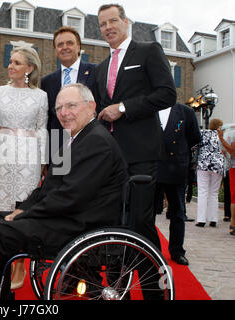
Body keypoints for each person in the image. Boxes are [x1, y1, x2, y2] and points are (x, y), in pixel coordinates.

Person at [0, 83, 128, 300]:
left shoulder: (97, 142)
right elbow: (49, 187)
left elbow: (71, 196)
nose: (64, 113)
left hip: (82, 225)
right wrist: (23, 208)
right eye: (59, 108)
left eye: (71, 106)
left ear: (91, 107)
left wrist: (26, 214)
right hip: (67, 215)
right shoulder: (73, 139)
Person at [93, 4, 177, 249]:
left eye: (112, 21)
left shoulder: (148, 51)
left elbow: (167, 94)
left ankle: (155, 283)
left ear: (125, 22)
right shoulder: (100, 69)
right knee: (115, 220)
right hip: (110, 158)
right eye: (103, 24)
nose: (108, 27)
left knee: (140, 220)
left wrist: (123, 108)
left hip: (141, 155)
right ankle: (123, 283)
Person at [0, 46, 48, 290]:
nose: (10, 66)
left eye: (17, 63)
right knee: (0, 209)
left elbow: (42, 127)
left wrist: (43, 161)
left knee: (23, 208)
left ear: (29, 69)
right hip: (2, 155)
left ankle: (20, 263)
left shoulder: (40, 96)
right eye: (10, 61)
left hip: (29, 157)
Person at [154, 103, 201, 265]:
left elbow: (195, 137)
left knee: (178, 212)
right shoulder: (149, 109)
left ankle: (177, 250)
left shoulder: (185, 111)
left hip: (176, 167)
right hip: (154, 167)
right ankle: (153, 249)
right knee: (149, 212)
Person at [41, 26, 95, 156]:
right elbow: (47, 120)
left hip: (89, 144)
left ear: (79, 47)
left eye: (70, 43)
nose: (65, 47)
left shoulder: (96, 72)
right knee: (59, 177)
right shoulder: (47, 81)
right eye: (60, 44)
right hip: (58, 148)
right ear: (55, 50)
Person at [195, 118, 225, 228]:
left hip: (204, 164)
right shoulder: (222, 135)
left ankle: (201, 219)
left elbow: (194, 146)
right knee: (214, 193)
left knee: (202, 191)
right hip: (218, 165)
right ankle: (213, 219)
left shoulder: (203, 133)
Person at [217, 124, 235, 235]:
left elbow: (231, 152)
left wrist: (222, 139)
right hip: (233, 167)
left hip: (233, 167)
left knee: (234, 197)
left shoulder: (231, 132)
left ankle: (233, 223)